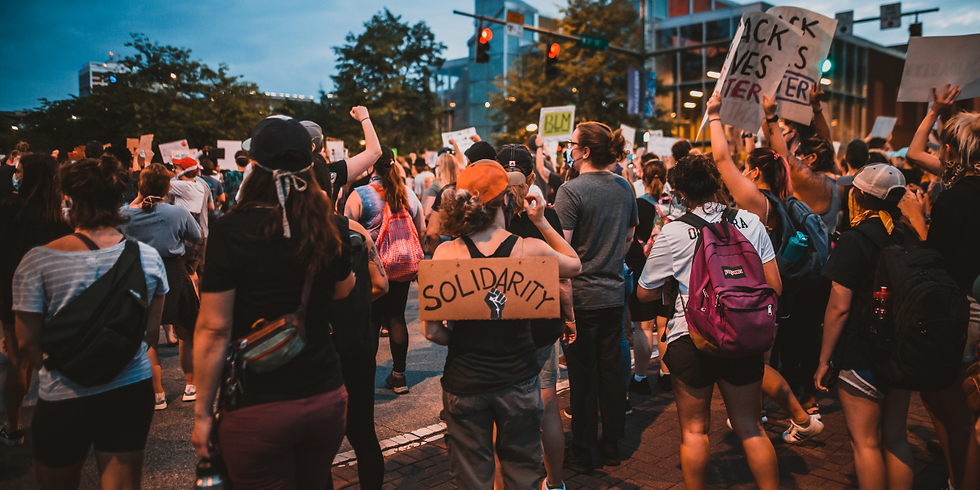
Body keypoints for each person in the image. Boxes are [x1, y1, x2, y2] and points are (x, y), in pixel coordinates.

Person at [192, 116, 355, 489]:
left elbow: (214, 329)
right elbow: (343, 290)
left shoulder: (231, 230)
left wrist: (202, 414)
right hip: (325, 396)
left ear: (254, 165)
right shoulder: (330, 226)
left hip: (257, 404)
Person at [13, 156, 167, 489]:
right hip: (130, 386)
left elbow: (26, 342)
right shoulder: (147, 257)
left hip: (64, 392)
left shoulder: (38, 261)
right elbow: (150, 334)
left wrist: (71, 366)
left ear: (68, 199)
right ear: (118, 200)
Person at [425, 161, 581, 490]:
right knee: (522, 475)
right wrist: (541, 221)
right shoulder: (530, 249)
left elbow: (432, 331)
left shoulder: (445, 253)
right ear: (506, 201)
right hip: (517, 378)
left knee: (472, 478)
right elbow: (575, 265)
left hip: (464, 380)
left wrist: (466, 340)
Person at [637, 153, 782, 490]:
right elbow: (775, 286)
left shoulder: (673, 232)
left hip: (692, 336)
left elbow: (644, 293)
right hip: (743, 334)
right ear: (718, 182)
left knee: (694, 431)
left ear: (680, 193)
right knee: (751, 428)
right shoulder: (751, 222)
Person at [707, 94, 825, 443]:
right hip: (773, 293)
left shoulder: (759, 202)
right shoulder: (784, 199)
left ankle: (802, 419)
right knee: (760, 359)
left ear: (756, 172)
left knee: (757, 362)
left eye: (746, 169)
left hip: (760, 294)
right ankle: (755, 412)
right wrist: (769, 117)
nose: (741, 174)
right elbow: (779, 157)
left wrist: (714, 116)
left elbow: (721, 159)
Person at [815, 164, 915, 490]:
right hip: (902, 349)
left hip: (862, 352)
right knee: (896, 438)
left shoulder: (854, 239)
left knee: (866, 443)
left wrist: (824, 361)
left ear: (858, 195)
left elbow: (839, 308)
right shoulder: (908, 234)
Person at [906, 84, 980, 490]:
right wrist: (937, 111)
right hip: (971, 301)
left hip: (963, 307)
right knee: (947, 401)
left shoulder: (956, 197)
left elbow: (935, 258)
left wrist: (919, 220)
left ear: (952, 151)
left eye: (943, 147)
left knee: (957, 410)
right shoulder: (962, 182)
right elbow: (914, 153)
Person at [494, 145, 579, 490]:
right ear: (531, 176)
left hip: (499, 321)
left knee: (500, 413)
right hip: (541, 322)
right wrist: (569, 317)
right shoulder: (544, 215)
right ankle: (555, 483)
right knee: (547, 405)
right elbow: (566, 275)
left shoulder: (487, 215)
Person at [554, 122, 637, 472]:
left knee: (582, 375)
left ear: (585, 151)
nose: (569, 149)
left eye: (571, 144)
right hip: (614, 292)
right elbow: (630, 237)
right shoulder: (624, 186)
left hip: (581, 297)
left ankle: (583, 448)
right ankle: (613, 444)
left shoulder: (570, 191)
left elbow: (563, 250)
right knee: (612, 370)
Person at [0, 154, 73, 446]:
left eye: (19, 171)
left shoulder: (9, 209)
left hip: (13, 292)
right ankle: (56, 422)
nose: (15, 175)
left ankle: (14, 427)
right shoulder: (60, 218)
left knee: (17, 361)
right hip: (51, 294)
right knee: (48, 357)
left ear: (29, 176)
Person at [119, 164, 202, 410]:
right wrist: (191, 263)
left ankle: (157, 394)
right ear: (167, 187)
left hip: (140, 272)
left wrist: (138, 199)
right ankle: (191, 385)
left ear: (140, 186)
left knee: (149, 337)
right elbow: (197, 237)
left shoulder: (125, 214)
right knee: (186, 330)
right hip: (174, 271)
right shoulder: (178, 212)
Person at [345, 146, 425, 394]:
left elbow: (347, 232)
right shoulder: (408, 194)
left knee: (371, 320)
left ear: (370, 166)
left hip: (370, 269)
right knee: (396, 317)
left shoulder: (360, 195)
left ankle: (365, 379)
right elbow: (421, 230)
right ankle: (399, 377)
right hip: (401, 265)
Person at [327, 218, 389, 490]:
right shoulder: (356, 230)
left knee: (319, 446)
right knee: (364, 435)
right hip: (357, 342)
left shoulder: (294, 231)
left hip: (320, 347)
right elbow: (382, 285)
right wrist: (355, 305)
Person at [625, 157, 672, 396]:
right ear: (665, 178)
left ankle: (641, 378)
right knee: (664, 325)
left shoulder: (637, 204)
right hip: (669, 273)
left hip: (642, 271)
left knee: (642, 327)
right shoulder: (673, 203)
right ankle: (666, 374)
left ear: (642, 177)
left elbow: (629, 238)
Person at [762, 95, 840, 235]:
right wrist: (816, 107)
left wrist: (770, 116)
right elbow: (826, 140)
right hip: (827, 247)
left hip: (806, 248)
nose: (796, 157)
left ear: (812, 158)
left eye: (799, 154)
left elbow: (782, 154)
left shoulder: (810, 181)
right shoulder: (835, 177)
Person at [425, 151, 458, 218]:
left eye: (437, 165)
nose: (436, 168)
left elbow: (427, 212)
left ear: (442, 167)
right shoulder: (462, 185)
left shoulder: (436, 186)